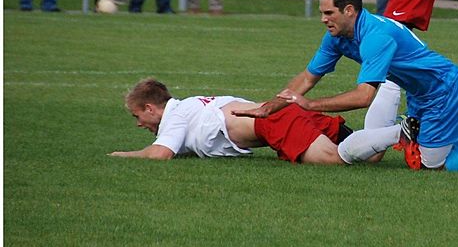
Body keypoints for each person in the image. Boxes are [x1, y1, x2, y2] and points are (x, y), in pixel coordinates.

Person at [233, 0, 458, 173]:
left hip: (444, 88)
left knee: (434, 162)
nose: (323, 18)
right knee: (434, 147)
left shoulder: (375, 36)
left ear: (349, 10)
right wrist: (268, 108)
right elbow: (307, 78)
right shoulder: (337, 36)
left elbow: (365, 95)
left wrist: (310, 105)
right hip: (423, 93)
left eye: (328, 12)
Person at [109, 77, 357, 164]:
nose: (138, 124)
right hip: (283, 114)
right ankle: (390, 133)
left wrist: (123, 155)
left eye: (137, 115)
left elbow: (160, 155)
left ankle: (393, 132)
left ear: (150, 108)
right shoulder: (190, 106)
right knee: (368, 155)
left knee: (334, 160)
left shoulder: (176, 115)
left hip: (277, 120)